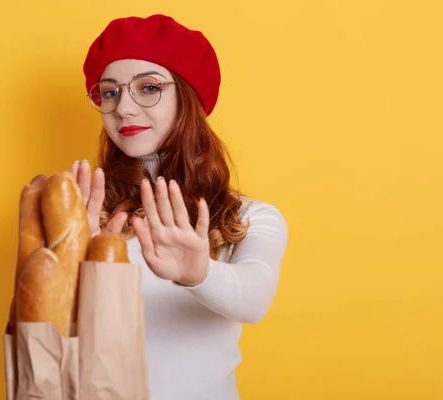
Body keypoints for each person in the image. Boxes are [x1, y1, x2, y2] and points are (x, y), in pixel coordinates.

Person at [68, 14, 288, 400]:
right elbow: (42, 330)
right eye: (110, 92)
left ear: (188, 96)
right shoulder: (82, 207)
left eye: (148, 87)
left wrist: (200, 274)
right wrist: (69, 267)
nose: (123, 109)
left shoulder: (250, 217)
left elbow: (255, 300)